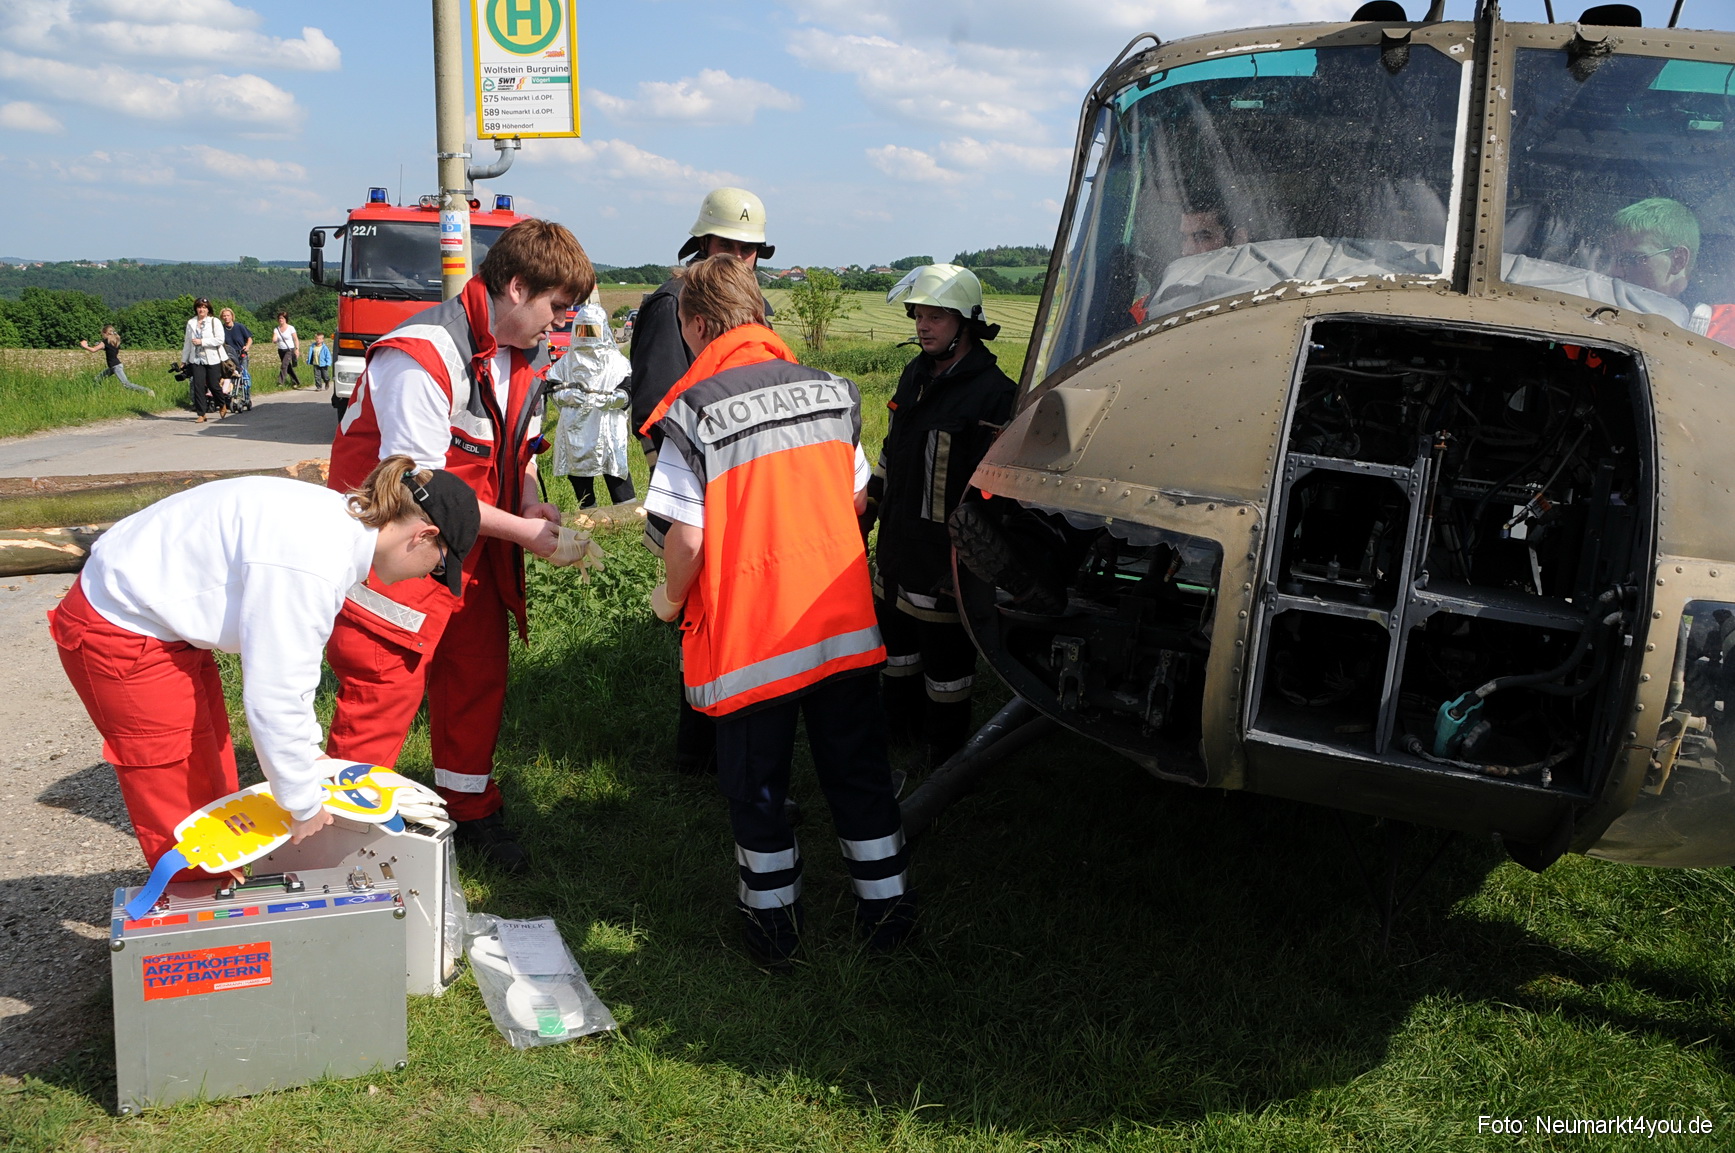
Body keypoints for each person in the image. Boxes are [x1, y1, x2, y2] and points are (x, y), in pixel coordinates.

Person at [643, 254, 913, 967]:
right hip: (838, 624)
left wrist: (669, 601)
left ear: (700, 325)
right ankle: (888, 917)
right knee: (859, 775)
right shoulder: (832, 391)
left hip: (752, 641)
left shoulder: (693, 412)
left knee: (757, 790)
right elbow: (857, 498)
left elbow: (687, 541)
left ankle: (773, 934)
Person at [47, 457, 479, 883]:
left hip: (159, 619)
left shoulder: (335, 526)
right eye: (439, 566)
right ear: (424, 535)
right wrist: (303, 802)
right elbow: (275, 695)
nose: (427, 577)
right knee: (181, 806)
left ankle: (218, 898)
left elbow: (290, 673)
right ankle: (197, 916)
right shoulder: (312, 561)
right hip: (120, 626)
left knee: (212, 784)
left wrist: (306, 756)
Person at [323, 218, 594, 872]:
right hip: (397, 551)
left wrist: (528, 498)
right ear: (517, 287)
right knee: (383, 689)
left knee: (475, 679)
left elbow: (521, 450)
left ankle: (469, 809)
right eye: (558, 307)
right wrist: (526, 532)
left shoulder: (525, 354)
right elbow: (418, 488)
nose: (561, 324)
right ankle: (342, 838)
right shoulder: (421, 355)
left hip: (470, 549)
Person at [631, 187, 776, 776]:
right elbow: (660, 404)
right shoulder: (675, 303)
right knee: (699, 616)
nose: (738, 258)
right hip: (695, 486)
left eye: (748, 249)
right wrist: (681, 498)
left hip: (743, 485)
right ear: (702, 243)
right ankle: (699, 753)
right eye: (727, 245)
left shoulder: (749, 300)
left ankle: (719, 747)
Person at [868, 265, 1017, 765]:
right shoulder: (915, 374)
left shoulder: (995, 394)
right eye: (918, 315)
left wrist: (972, 565)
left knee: (946, 667)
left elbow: (997, 496)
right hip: (896, 549)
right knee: (896, 654)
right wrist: (869, 505)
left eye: (936, 316)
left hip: (945, 564)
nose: (923, 326)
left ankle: (943, 754)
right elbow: (892, 451)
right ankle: (896, 734)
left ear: (965, 322)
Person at [1606, 197, 1735, 345]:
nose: (1614, 272)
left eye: (1632, 259)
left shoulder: (1727, 326)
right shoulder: (1600, 311)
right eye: (1609, 258)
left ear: (1678, 260)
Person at [548, 303, 636, 508]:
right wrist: (567, 396)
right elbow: (551, 387)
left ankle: (627, 512)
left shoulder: (616, 362)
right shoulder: (567, 362)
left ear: (602, 330)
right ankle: (588, 512)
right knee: (579, 473)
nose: (587, 336)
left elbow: (629, 390)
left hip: (607, 426)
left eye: (592, 330)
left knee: (614, 469)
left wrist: (614, 399)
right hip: (576, 428)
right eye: (583, 330)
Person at [181, 297, 226, 422]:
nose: (202, 310)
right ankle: (201, 413)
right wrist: (184, 360)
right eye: (199, 307)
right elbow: (187, 342)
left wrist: (202, 342)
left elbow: (220, 340)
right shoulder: (191, 323)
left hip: (212, 358)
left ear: (208, 309)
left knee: (213, 385)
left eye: (204, 307)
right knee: (198, 386)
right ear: (196, 309)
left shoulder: (214, 321)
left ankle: (222, 403)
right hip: (196, 359)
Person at [79, 324, 153, 395]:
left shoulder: (106, 342)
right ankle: (97, 393)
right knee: (97, 379)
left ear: (105, 333)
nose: (102, 336)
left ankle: (147, 391)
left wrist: (85, 346)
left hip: (116, 367)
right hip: (113, 367)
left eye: (102, 334)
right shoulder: (114, 341)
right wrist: (98, 344)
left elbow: (93, 350)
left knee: (126, 384)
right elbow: (108, 349)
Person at [220, 307, 253, 398]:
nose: (226, 317)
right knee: (228, 375)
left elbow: (249, 339)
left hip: (241, 353)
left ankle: (246, 396)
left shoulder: (239, 327)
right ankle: (228, 393)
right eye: (224, 316)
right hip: (227, 356)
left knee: (243, 375)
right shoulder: (221, 328)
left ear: (232, 316)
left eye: (228, 315)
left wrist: (247, 346)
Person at [274, 312, 303, 388]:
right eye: (279, 318)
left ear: (285, 319)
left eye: (282, 318)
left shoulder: (290, 328)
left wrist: (297, 349)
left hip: (289, 350)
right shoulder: (276, 329)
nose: (280, 320)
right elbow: (275, 337)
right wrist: (274, 339)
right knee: (288, 367)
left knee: (284, 365)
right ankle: (296, 382)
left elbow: (296, 339)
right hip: (281, 350)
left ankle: (280, 382)